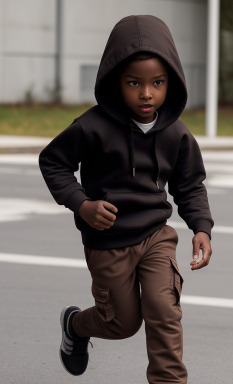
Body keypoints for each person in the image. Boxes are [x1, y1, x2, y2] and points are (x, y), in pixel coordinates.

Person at [39, 15, 213, 384]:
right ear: (116, 82)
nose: (146, 93)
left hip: (156, 234)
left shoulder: (177, 133)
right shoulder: (91, 126)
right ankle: (75, 325)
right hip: (108, 240)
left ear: (171, 82)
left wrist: (201, 227)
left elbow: (190, 184)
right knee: (120, 323)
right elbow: (53, 162)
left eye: (157, 83)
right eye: (135, 83)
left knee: (164, 309)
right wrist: (82, 203)